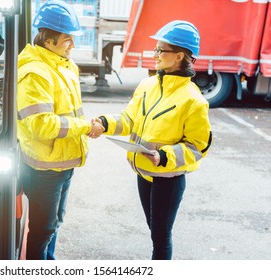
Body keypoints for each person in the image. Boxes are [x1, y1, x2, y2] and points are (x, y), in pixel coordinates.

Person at [92, 20, 212, 260]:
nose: (155, 54)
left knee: (160, 237)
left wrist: (165, 156)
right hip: (143, 173)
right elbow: (130, 119)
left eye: (161, 50)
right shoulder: (147, 85)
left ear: (179, 56)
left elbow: (198, 145)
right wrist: (105, 123)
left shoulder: (193, 100)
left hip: (167, 179)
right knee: (154, 230)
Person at [17, 0, 104, 260]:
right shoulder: (35, 73)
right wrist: (86, 126)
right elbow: (41, 124)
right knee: (43, 229)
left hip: (63, 161)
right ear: (48, 41)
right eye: (68, 40)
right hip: (46, 168)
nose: (73, 45)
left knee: (54, 224)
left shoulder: (64, 66)